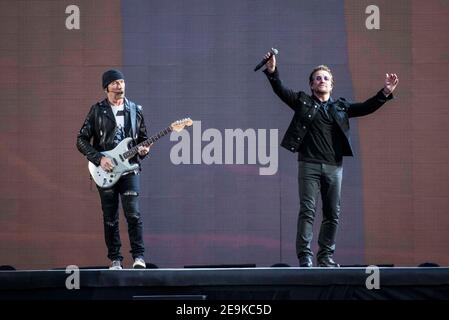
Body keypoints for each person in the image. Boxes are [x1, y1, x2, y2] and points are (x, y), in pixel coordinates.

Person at [262, 53, 398, 267]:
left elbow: (366, 107)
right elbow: (280, 90)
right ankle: (305, 256)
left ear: (331, 85)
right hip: (309, 164)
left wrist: (385, 92)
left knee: (332, 213)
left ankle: (325, 257)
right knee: (308, 210)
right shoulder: (303, 102)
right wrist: (272, 72)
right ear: (311, 84)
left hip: (334, 167)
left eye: (325, 78)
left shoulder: (341, 108)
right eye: (317, 78)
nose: (321, 80)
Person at [77, 69, 151, 270]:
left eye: (122, 82)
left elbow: (143, 140)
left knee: (133, 214)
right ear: (106, 87)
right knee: (110, 217)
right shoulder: (96, 110)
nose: (120, 86)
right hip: (106, 171)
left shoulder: (135, 110)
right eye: (115, 83)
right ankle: (115, 259)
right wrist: (99, 158)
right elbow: (81, 140)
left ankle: (139, 257)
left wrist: (144, 151)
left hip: (129, 170)